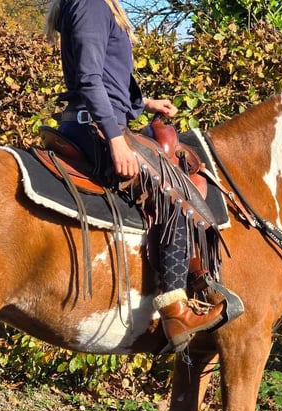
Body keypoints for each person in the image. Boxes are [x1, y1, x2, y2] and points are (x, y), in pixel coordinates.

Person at [45, 0, 225, 350]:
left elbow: (107, 78)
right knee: (177, 196)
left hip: (101, 120)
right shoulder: (91, 4)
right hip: (96, 128)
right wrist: (115, 138)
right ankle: (176, 311)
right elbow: (88, 78)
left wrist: (146, 104)